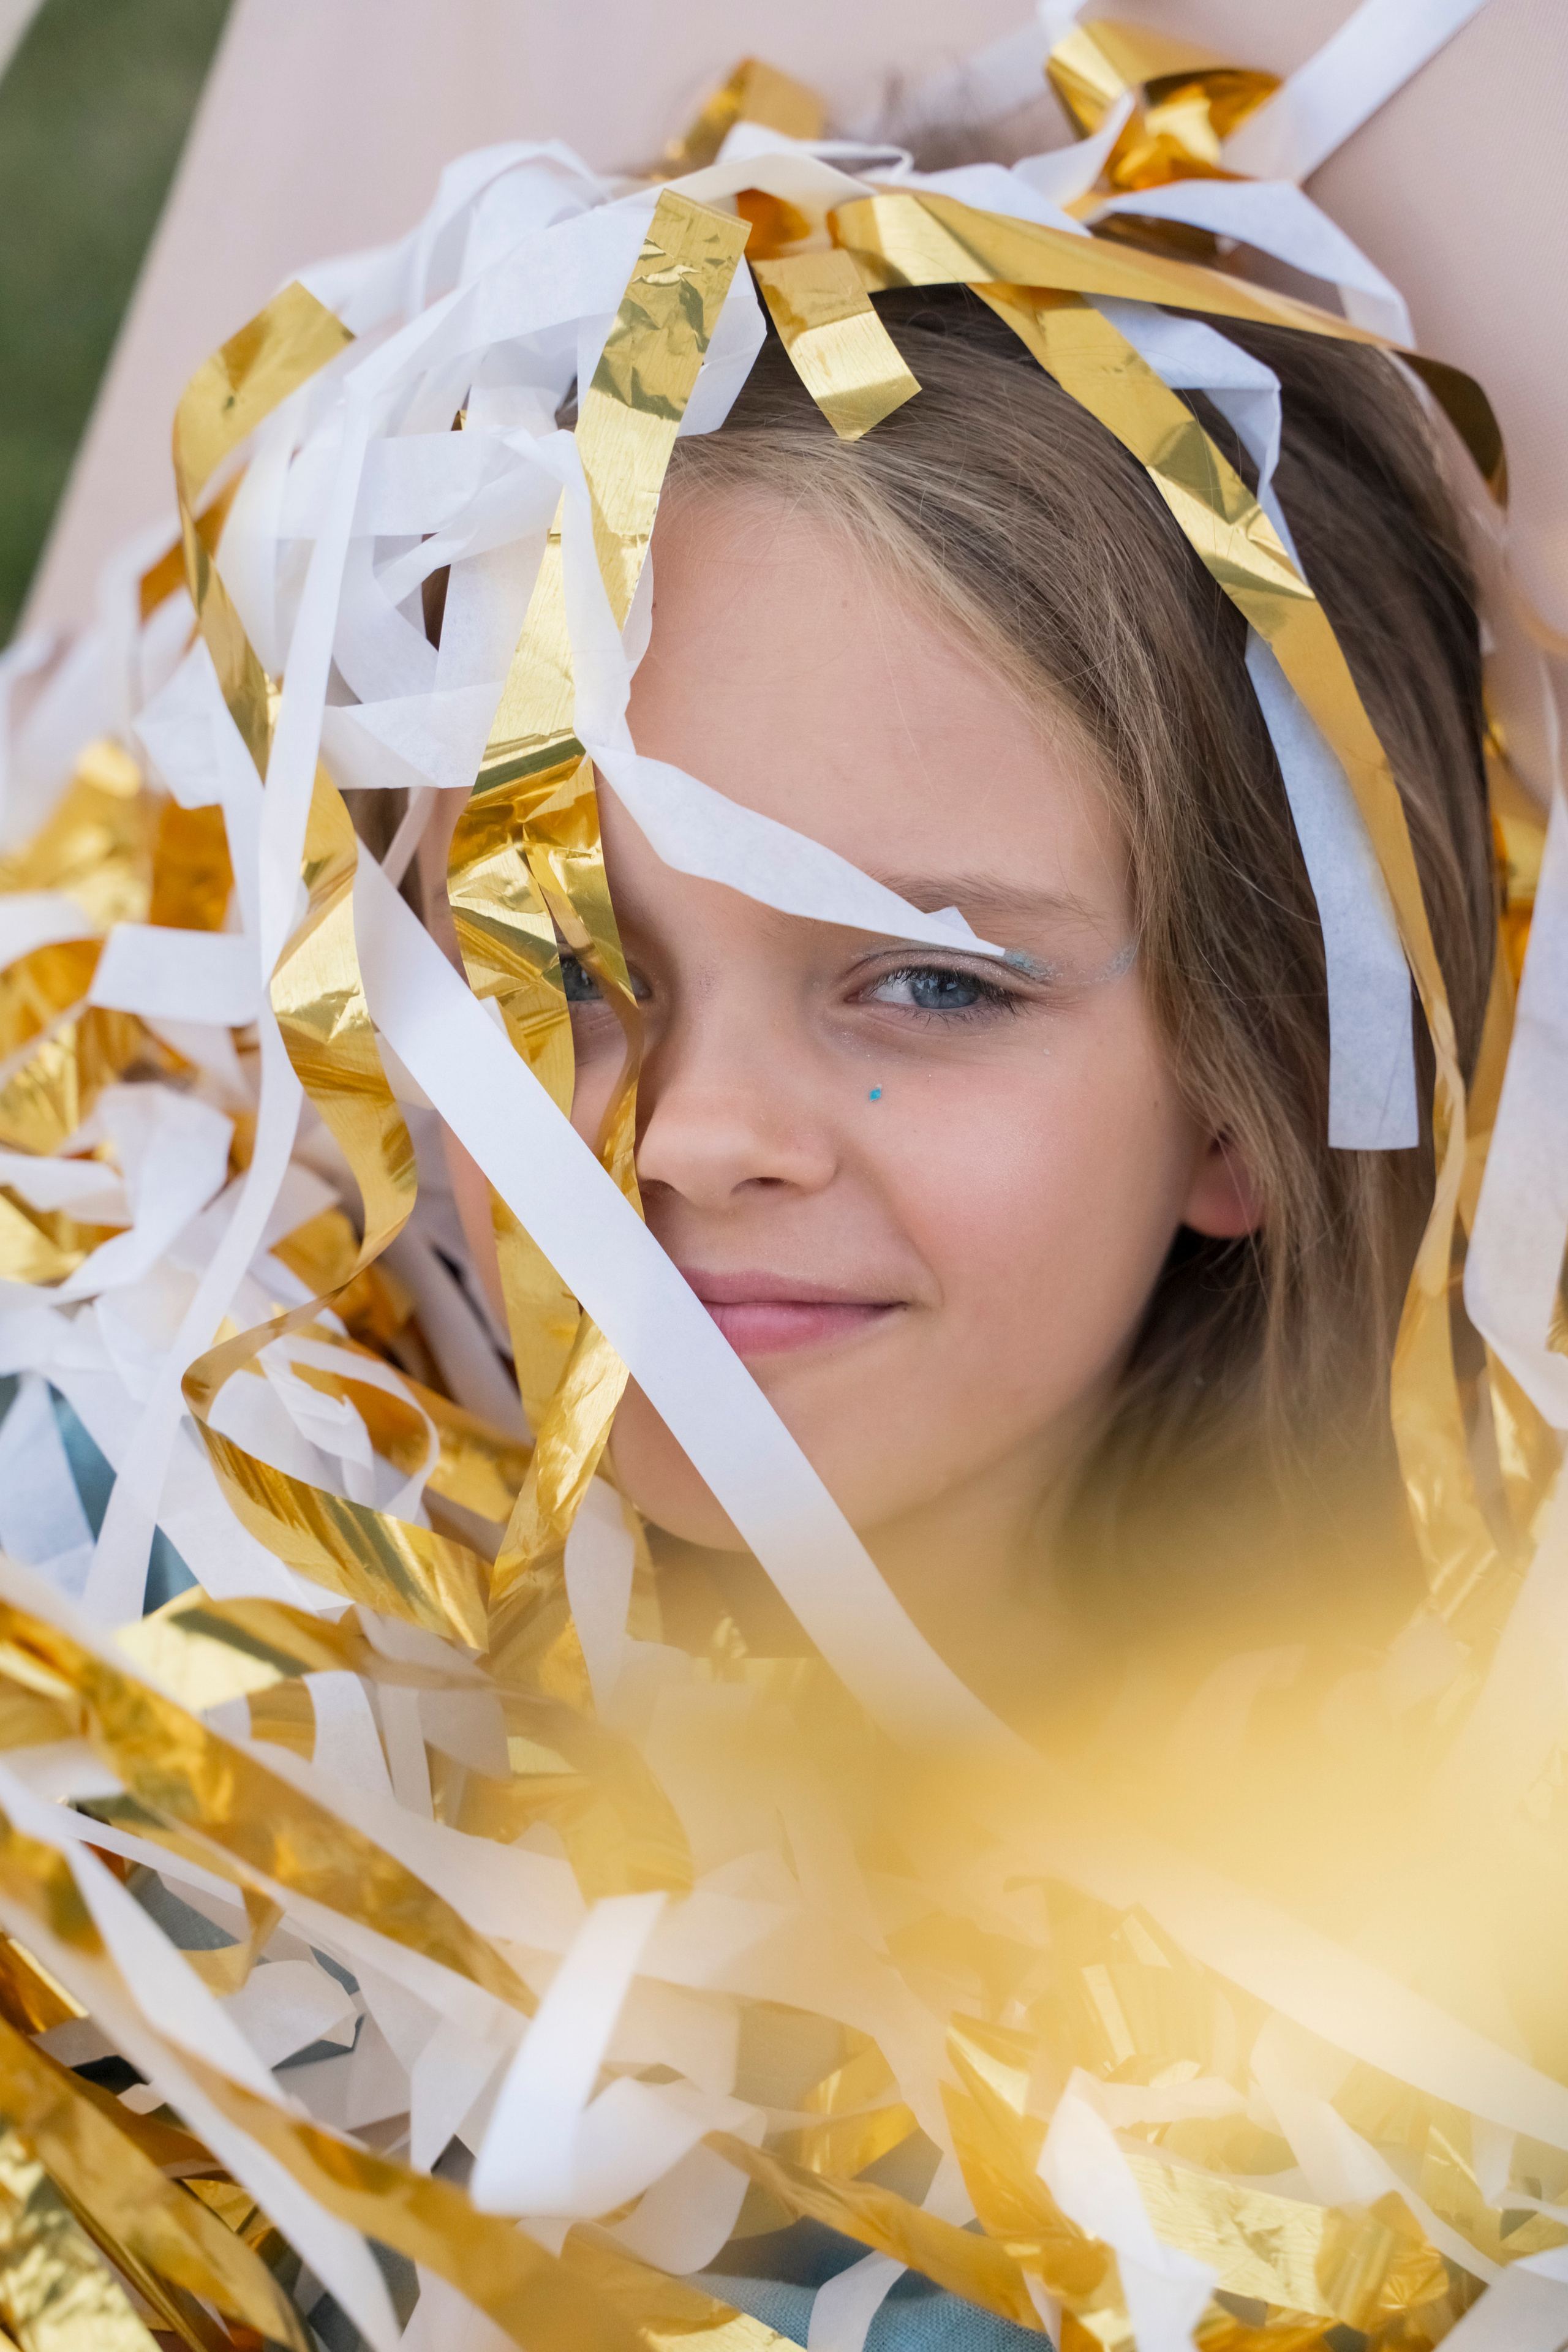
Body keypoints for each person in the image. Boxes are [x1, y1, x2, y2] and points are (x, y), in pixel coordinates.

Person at [0, 13, 1562, 2351]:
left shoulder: (1352, 2106)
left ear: (1245, 1100)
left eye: (929, 987)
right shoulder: (107, 1620)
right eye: (566, 960)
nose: (698, 1127)